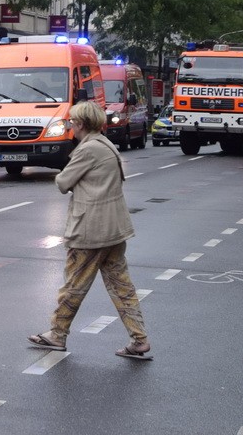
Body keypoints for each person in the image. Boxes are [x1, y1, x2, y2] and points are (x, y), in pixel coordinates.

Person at [27, 101, 152, 360]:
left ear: (81, 124)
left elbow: (62, 182)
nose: (69, 125)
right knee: (121, 286)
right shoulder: (107, 145)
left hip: (90, 230)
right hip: (114, 229)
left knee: (74, 285)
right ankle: (139, 339)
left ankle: (57, 334)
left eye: (71, 122)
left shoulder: (88, 150)